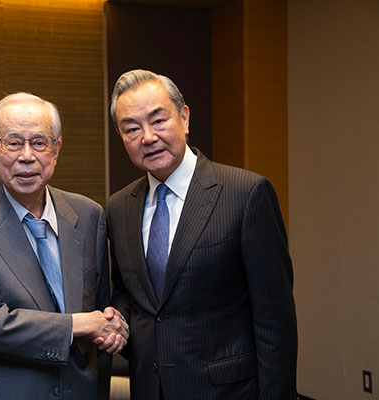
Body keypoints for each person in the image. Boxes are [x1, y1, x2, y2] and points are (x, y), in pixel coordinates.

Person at [104, 69, 297, 399]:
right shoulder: (119, 207)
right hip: (149, 387)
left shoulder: (245, 194)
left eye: (158, 121)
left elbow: (275, 319)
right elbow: (127, 290)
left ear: (184, 118)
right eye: (132, 129)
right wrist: (118, 319)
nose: (147, 137)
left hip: (227, 391)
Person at [0, 92, 128, 400]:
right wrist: (79, 324)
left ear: (56, 150)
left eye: (39, 143)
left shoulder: (89, 215)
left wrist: (111, 328)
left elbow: (101, 311)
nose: (27, 156)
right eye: (13, 143)